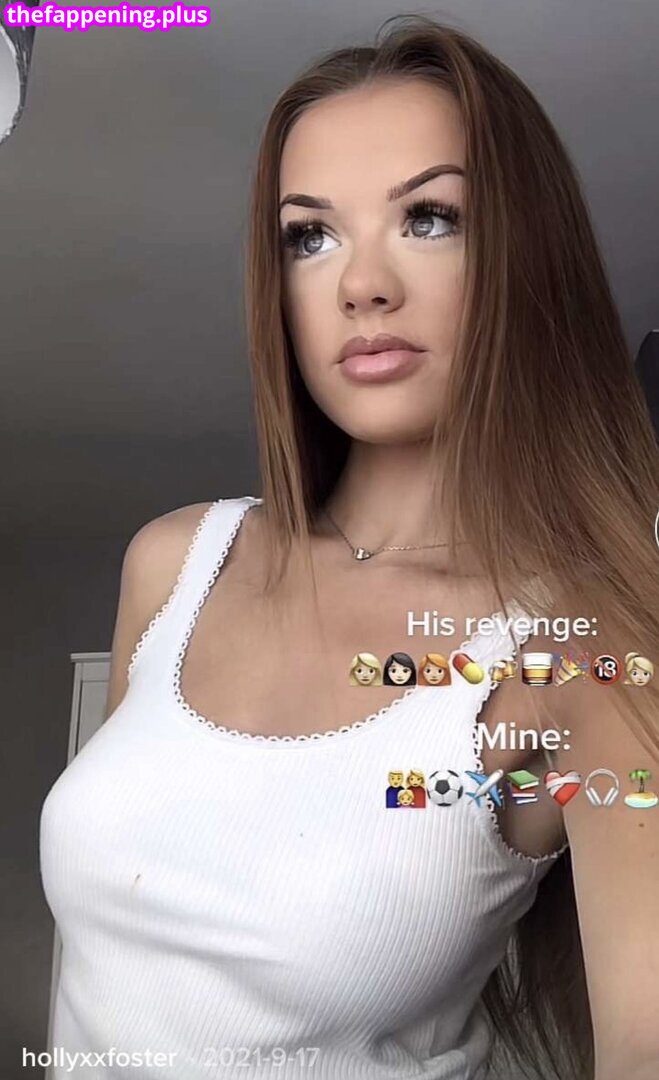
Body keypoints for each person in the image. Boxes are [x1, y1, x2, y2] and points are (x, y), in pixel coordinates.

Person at [39, 14, 659, 1080]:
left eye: (428, 217)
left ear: (528, 257)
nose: (360, 285)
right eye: (309, 236)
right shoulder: (175, 564)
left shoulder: (578, 652)